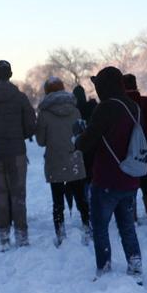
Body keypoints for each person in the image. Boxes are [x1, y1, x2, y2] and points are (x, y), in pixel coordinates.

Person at [76, 66, 144, 281]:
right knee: (127, 226)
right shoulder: (133, 106)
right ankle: (135, 265)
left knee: (101, 227)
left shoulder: (105, 108)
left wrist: (78, 139)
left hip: (106, 177)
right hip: (130, 176)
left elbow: (88, 141)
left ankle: (104, 269)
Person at [0, 60, 36, 249]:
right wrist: (19, 136)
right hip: (16, 151)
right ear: (10, 74)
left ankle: (3, 237)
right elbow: (30, 126)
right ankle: (21, 235)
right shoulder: (20, 98)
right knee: (18, 194)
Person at [35, 76, 91, 246]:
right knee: (81, 198)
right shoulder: (75, 110)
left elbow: (40, 141)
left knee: (58, 202)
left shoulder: (44, 113)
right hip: (74, 158)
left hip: (55, 161)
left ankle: (60, 233)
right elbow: (81, 135)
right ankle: (87, 227)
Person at [123, 74, 147, 219]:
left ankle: (132, 214)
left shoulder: (121, 103)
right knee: (145, 178)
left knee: (128, 181)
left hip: (125, 146)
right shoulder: (144, 101)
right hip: (143, 146)